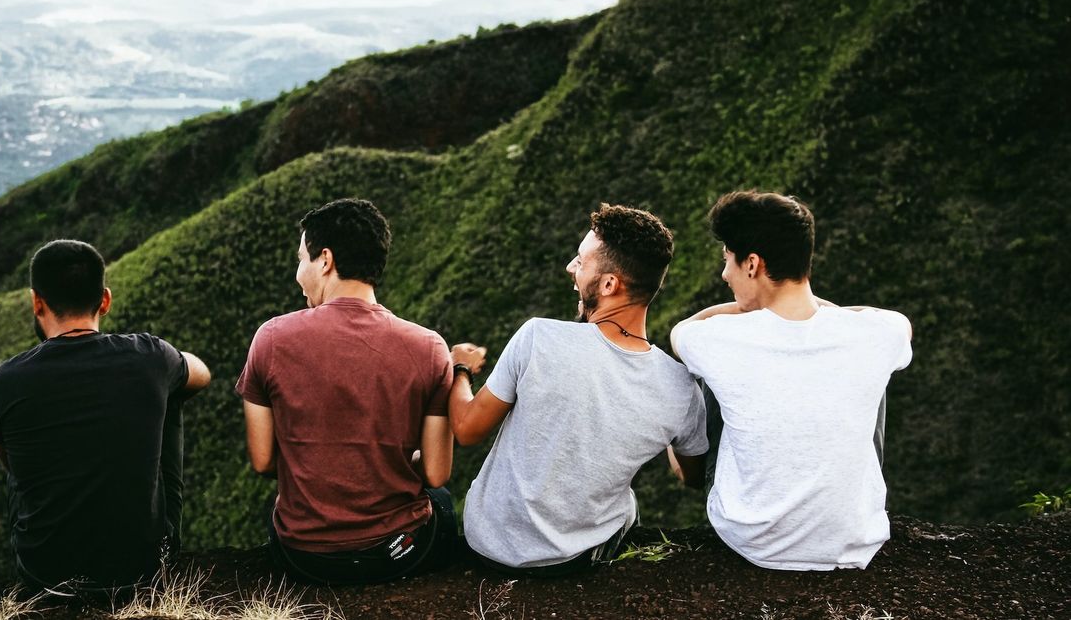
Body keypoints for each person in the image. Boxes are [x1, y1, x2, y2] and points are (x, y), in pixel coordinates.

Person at [449, 203, 708, 575]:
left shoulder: (538, 337)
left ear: (608, 284)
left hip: (489, 546)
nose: (571, 268)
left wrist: (460, 368)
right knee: (627, 503)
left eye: (581, 262)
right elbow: (692, 477)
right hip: (576, 560)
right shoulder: (681, 389)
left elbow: (467, 429)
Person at [670, 191, 912, 571]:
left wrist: (744, 309)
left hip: (751, 539)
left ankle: (693, 478)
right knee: (872, 372)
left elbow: (682, 332)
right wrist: (821, 311)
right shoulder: (876, 335)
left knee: (707, 377)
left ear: (752, 264)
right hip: (851, 541)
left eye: (728, 262)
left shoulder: (717, 338)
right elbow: (898, 322)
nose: (724, 275)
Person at [238, 198, 456, 585]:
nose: (297, 274)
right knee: (441, 501)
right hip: (397, 553)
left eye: (301, 259)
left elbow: (263, 461)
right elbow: (437, 472)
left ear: (325, 260)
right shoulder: (430, 347)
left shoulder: (271, 338)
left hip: (304, 557)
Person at [0, 239, 211, 591]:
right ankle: (164, 547)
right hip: (140, 567)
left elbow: (12, 465)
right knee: (172, 392)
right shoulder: (149, 356)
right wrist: (164, 364)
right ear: (105, 300)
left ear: (36, 302)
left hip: (44, 571)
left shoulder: (4, 380)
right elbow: (202, 374)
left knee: (24, 454)